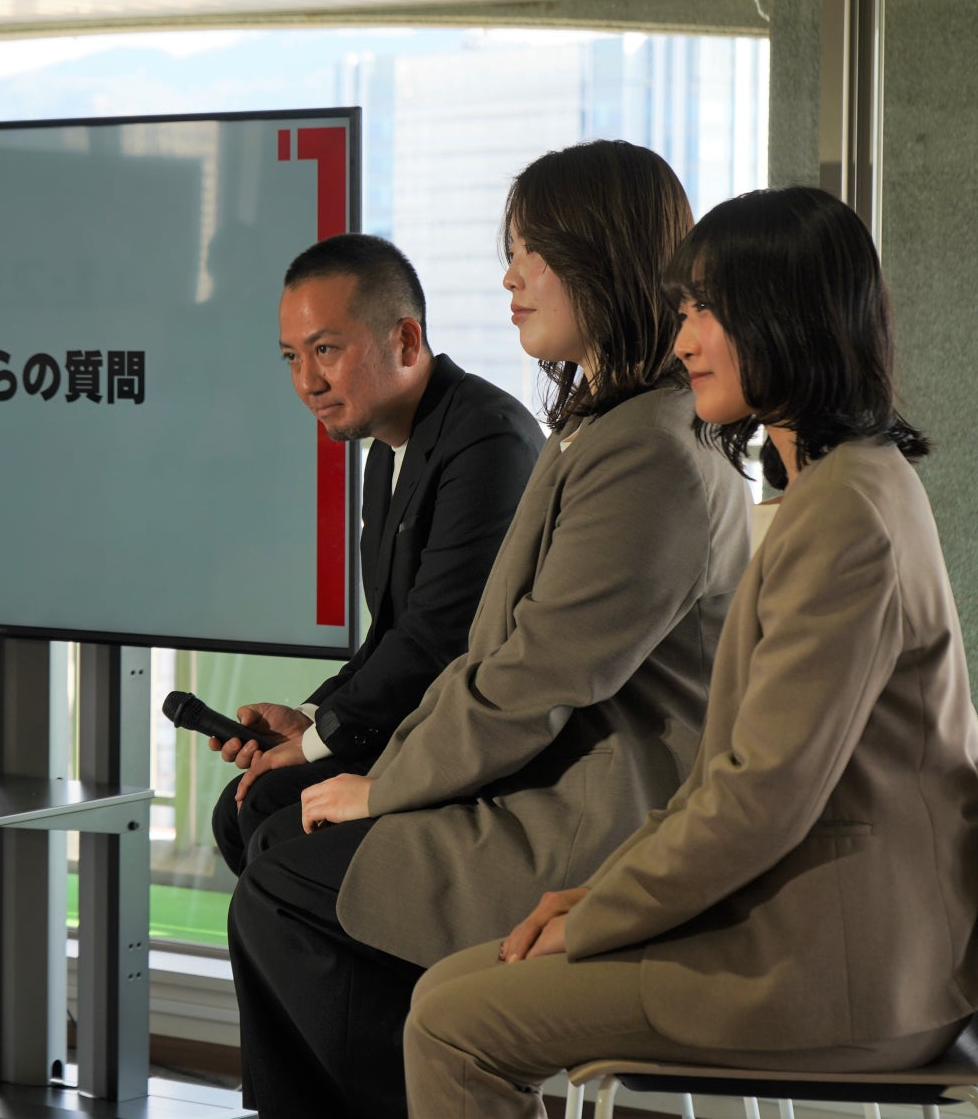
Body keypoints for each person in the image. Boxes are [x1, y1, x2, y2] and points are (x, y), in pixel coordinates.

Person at [402, 186, 978, 1117]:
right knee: (445, 993)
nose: (683, 341)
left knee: (451, 1023)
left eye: (706, 312)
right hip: (825, 933)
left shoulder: (845, 514)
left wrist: (602, 911)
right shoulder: (848, 485)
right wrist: (598, 894)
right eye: (684, 311)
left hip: (833, 966)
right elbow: (745, 778)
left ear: (788, 317)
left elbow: (759, 797)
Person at [226, 141, 752, 1119]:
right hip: (550, 783)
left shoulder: (643, 451)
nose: (510, 279)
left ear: (602, 257)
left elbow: (528, 677)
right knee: (276, 842)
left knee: (284, 871)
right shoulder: (607, 429)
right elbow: (484, 659)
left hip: (597, 820)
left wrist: (382, 783)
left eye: (530, 254)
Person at [209, 233, 542, 877]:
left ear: (407, 342)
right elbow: (390, 631)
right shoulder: (388, 448)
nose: (307, 382)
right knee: (243, 806)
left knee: (270, 815)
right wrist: (309, 719)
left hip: (471, 747)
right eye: (291, 357)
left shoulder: (487, 440)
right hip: (414, 723)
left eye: (326, 350)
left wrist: (321, 740)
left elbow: (438, 639)